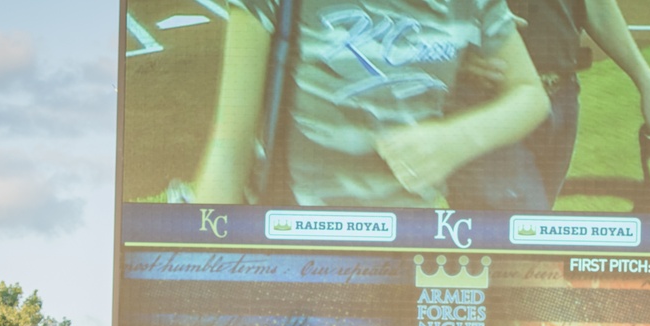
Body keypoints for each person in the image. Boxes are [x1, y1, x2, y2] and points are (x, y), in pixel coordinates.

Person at [190, 0, 549, 209]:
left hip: (406, 248)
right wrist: (196, 270)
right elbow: (228, 149)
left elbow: (530, 94)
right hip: (295, 242)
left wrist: (457, 140)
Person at [445, 0, 650, 211]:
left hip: (561, 98)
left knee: (524, 234)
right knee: (519, 243)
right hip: (484, 101)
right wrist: (446, 45)